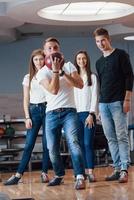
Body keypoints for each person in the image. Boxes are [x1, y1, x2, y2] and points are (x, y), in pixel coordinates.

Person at [36, 37, 86, 190]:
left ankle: (79, 176)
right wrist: (56, 71)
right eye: (49, 49)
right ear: (45, 53)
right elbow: (53, 90)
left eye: (55, 48)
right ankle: (59, 175)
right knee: (52, 148)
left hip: (70, 112)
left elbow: (80, 84)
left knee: (73, 142)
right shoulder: (42, 72)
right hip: (51, 114)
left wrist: (63, 72)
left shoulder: (70, 65)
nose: (53, 51)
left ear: (59, 50)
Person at [93, 27, 134, 183]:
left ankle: (124, 169)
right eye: (97, 41)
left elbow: (129, 77)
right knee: (110, 138)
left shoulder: (121, 55)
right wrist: (98, 108)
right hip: (104, 104)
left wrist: (127, 99)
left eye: (103, 40)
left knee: (121, 136)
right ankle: (117, 168)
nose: (101, 44)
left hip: (118, 102)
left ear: (108, 39)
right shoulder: (99, 62)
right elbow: (102, 85)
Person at [4, 49, 50, 185]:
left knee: (47, 145)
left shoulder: (49, 75)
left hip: (48, 110)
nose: (38, 62)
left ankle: (45, 173)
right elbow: (26, 98)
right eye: (36, 59)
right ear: (32, 61)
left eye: (41, 59)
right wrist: (27, 117)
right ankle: (18, 175)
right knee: (29, 144)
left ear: (45, 60)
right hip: (33, 111)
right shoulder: (27, 77)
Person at [74, 50, 98, 182]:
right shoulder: (74, 77)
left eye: (83, 58)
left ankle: (91, 172)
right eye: (79, 59)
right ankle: (81, 173)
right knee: (80, 144)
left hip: (88, 114)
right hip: (75, 115)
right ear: (76, 61)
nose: (81, 61)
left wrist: (91, 113)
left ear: (87, 60)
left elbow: (95, 96)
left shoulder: (92, 77)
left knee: (88, 143)